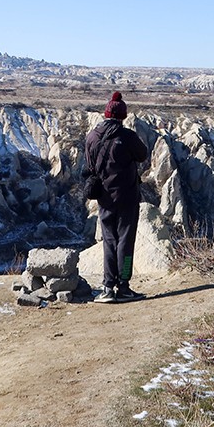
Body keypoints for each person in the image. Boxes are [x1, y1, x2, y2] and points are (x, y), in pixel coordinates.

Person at [84, 90, 150, 303]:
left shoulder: (92, 137)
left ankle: (107, 287)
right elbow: (142, 155)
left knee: (109, 241)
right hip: (128, 197)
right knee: (126, 242)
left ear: (105, 114)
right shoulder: (127, 137)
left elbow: (89, 166)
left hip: (104, 198)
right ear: (123, 116)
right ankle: (123, 286)